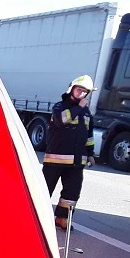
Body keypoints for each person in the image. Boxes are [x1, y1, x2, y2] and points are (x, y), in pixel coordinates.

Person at [42, 75, 95, 230]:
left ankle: (62, 218)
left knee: (72, 193)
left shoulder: (86, 113)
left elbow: (89, 135)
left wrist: (90, 153)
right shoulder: (60, 107)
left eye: (85, 92)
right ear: (72, 89)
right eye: (79, 90)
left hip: (77, 161)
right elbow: (61, 120)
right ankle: (36, 218)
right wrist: (79, 107)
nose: (81, 94)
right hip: (55, 160)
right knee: (45, 190)